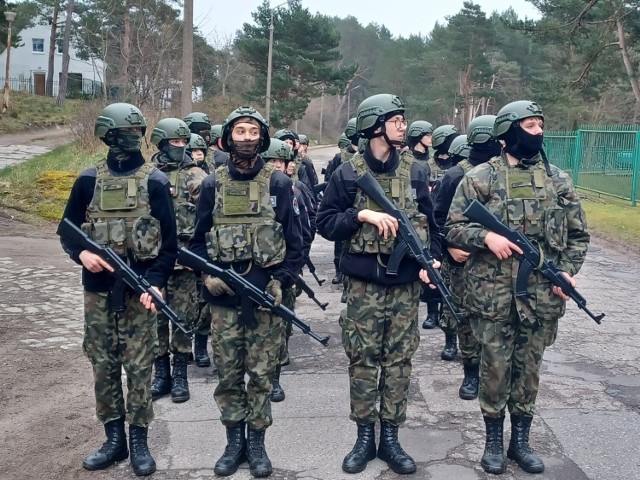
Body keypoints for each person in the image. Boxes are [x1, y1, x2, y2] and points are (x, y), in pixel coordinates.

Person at [443, 101, 590, 475]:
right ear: (508, 134)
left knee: (528, 371)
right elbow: (453, 228)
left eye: (541, 124)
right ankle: (493, 440)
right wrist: (486, 236)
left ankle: (520, 441)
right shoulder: (479, 177)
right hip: (492, 297)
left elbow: (578, 236)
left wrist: (569, 273)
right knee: (494, 370)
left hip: (540, 298)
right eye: (529, 124)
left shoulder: (559, 180)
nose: (538, 131)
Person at [317, 93, 441, 475]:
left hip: (405, 288)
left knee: (399, 362)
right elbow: (325, 224)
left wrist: (431, 260)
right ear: (375, 125)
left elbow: (434, 226)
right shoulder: (347, 173)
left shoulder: (417, 171)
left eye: (404, 119)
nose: (404, 126)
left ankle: (391, 437)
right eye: (397, 120)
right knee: (363, 361)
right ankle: (363, 437)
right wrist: (362, 215)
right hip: (363, 288)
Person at [58, 102, 177, 477]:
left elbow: (170, 245)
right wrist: (81, 254)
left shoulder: (155, 181)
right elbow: (67, 229)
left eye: (136, 133)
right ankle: (114, 440)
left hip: (140, 293)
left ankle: (139, 440)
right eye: (124, 133)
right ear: (107, 135)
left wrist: (156, 283)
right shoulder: (88, 180)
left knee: (140, 368)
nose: (132, 139)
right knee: (103, 365)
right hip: (97, 291)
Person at [189, 106, 303, 478]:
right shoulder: (212, 184)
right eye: (240, 130)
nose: (247, 137)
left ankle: (257, 445)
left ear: (263, 138)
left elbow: (295, 245)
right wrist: (207, 277)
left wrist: (280, 281)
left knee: (261, 376)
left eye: (254, 131)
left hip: (265, 301)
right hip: (223, 304)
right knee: (228, 375)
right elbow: (196, 243)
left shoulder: (279, 184)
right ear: (228, 137)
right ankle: (232, 442)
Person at [434, 117, 499, 400]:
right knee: (465, 320)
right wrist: (447, 248)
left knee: (495, 320)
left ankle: (492, 374)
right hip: (462, 261)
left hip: (496, 262)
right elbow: (436, 220)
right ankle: (471, 372)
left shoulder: (503, 172)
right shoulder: (455, 176)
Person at [149, 118, 207, 403]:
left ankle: (181, 375)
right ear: (161, 142)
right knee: (156, 319)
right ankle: (161, 375)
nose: (181, 147)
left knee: (183, 319)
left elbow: (208, 212)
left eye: (184, 142)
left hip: (185, 262)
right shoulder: (148, 174)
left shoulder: (195, 174)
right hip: (153, 262)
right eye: (175, 142)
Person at [261, 138, 315, 403]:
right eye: (270, 161)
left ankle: (274, 376)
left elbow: (304, 231)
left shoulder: (294, 189)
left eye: (279, 161)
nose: (275, 166)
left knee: (280, 324)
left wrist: (295, 269)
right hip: (256, 270)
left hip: (285, 269)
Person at [323, 118, 359, 285]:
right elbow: (330, 177)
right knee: (340, 242)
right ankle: (339, 271)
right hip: (344, 202)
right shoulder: (340, 157)